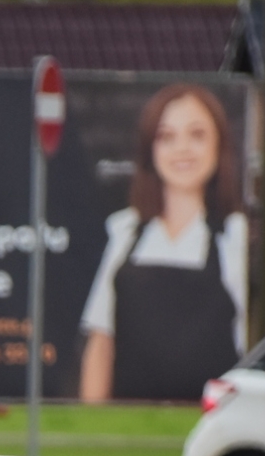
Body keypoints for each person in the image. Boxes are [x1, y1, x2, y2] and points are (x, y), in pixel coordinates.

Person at [78, 85, 247, 403]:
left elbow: (249, 340)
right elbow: (101, 341)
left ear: (219, 146)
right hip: (128, 424)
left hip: (209, 418)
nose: (182, 149)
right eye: (166, 137)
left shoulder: (237, 235)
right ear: (150, 151)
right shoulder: (123, 231)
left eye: (197, 135)